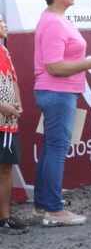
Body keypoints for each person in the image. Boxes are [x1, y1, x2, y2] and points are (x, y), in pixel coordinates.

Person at [33, 0, 91, 226]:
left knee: (51, 149)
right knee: (56, 149)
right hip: (57, 92)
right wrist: (89, 63)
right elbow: (54, 66)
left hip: (60, 92)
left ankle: (44, 206)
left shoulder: (58, 19)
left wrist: (88, 62)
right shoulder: (54, 22)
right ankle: (54, 210)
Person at [0, 14, 27, 233]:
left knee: (6, 168)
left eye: (3, 20)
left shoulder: (5, 51)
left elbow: (13, 80)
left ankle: (4, 217)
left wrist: (17, 103)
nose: (4, 25)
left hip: (7, 122)